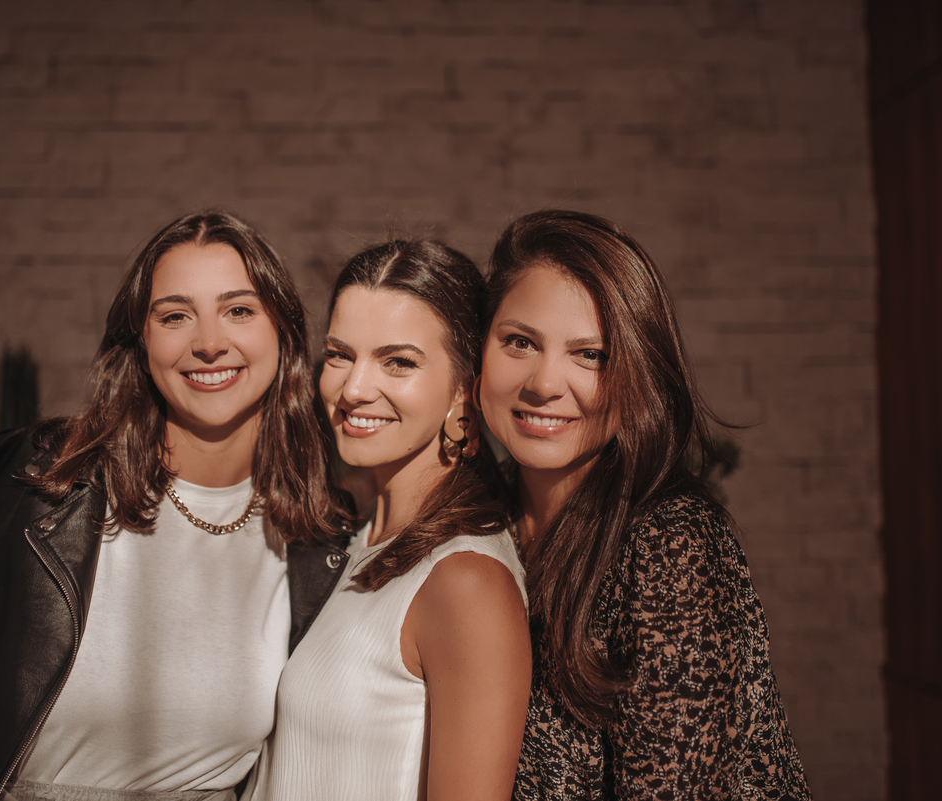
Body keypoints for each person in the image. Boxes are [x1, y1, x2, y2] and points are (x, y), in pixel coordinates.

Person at [0, 211, 354, 801]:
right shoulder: (39, 482)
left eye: (239, 310)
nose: (210, 343)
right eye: (174, 316)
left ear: (283, 331)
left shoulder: (321, 538)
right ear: (141, 340)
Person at [476, 210, 812, 799]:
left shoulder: (672, 541)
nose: (544, 383)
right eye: (520, 342)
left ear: (639, 373)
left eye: (591, 355)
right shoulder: (483, 519)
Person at [246, 240, 532, 801]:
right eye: (339, 355)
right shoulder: (357, 540)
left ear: (464, 387)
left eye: (398, 362)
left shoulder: (466, 580)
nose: (353, 389)